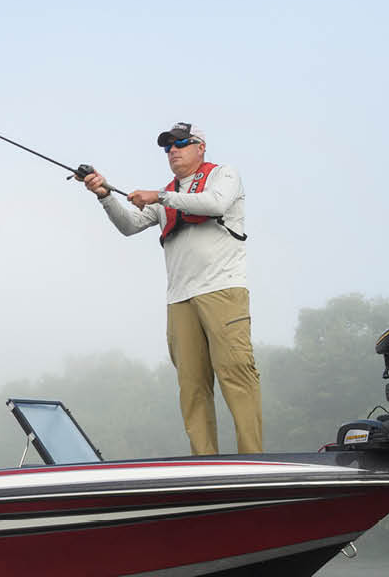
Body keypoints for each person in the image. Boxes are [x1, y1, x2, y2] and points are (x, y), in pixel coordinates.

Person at [80, 122, 262, 455]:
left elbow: (216, 205)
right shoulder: (166, 194)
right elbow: (129, 225)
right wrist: (104, 195)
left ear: (200, 147)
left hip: (223, 290)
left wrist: (160, 196)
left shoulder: (224, 174)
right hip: (179, 299)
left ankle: (252, 460)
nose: (173, 151)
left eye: (180, 143)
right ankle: (204, 464)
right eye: (168, 147)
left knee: (236, 375)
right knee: (191, 387)